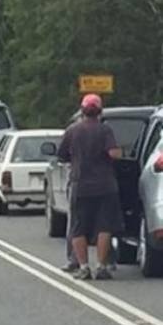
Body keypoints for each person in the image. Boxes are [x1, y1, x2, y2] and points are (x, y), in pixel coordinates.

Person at [56, 94, 123, 280]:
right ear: (99, 111)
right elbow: (114, 154)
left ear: (82, 111)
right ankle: (101, 266)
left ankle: (84, 267)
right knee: (104, 227)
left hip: (80, 185)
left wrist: (76, 158)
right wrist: (119, 151)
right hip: (105, 186)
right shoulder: (105, 130)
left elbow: (61, 156)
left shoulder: (72, 131)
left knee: (79, 227)